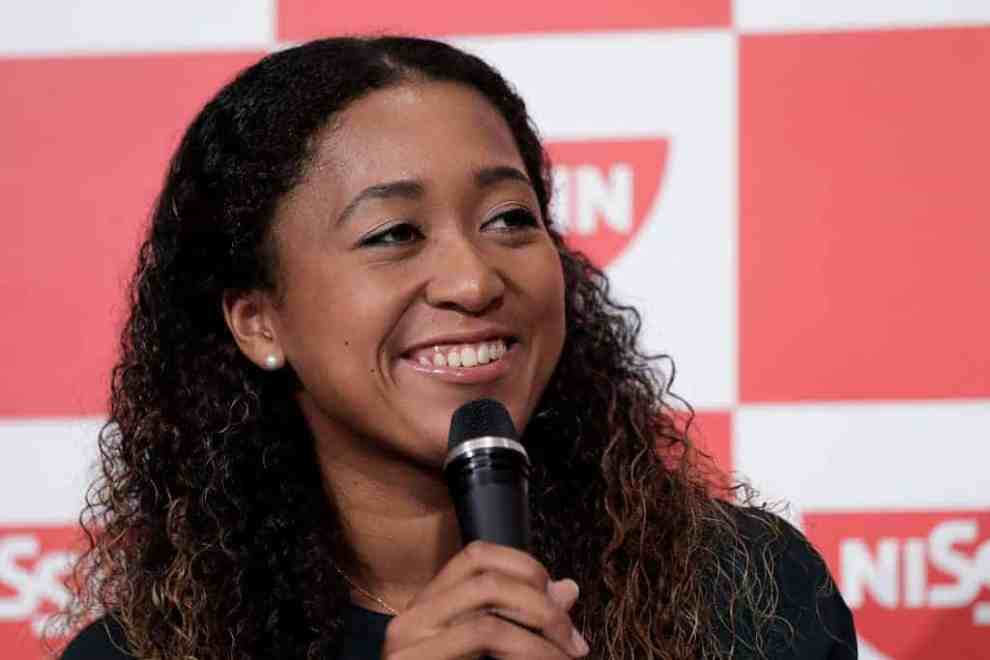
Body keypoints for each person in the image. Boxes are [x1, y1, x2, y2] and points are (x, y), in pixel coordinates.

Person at [57, 36, 856, 659]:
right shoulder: (144, 654)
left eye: (509, 218)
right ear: (260, 320)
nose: (474, 281)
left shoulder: (748, 598)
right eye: (394, 234)